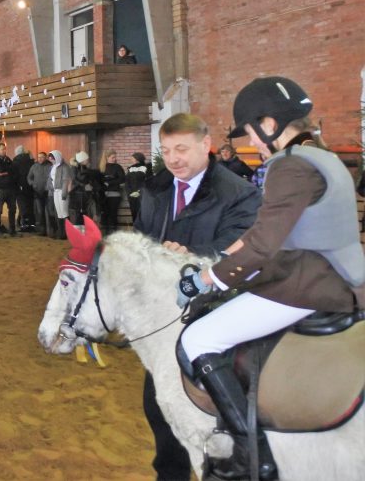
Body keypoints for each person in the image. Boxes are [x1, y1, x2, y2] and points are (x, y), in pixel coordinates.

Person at [175, 77, 364, 481]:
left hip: (307, 285)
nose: (251, 144)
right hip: (342, 276)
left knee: (197, 339)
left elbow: (262, 246)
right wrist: (223, 257)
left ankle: (246, 451)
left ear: (269, 123)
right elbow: (267, 228)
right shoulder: (322, 156)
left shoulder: (290, 166)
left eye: (250, 134)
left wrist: (208, 279)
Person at [134, 112, 261, 481]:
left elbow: (234, 251)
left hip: (215, 320)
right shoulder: (155, 188)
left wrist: (187, 255)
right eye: (166, 150)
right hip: (162, 323)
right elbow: (142, 238)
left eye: (182, 149)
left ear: (206, 145)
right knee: (159, 409)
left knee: (213, 415)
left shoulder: (240, 193)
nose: (173, 158)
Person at [46, 150, 72, 239]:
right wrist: (50, 187)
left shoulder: (65, 167)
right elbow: (50, 178)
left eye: (52, 159)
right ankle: (61, 233)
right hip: (55, 191)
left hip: (61, 190)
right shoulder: (53, 166)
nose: (51, 161)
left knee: (64, 213)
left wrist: (64, 193)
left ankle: (68, 232)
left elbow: (66, 180)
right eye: (50, 160)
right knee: (59, 213)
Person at [99, 150, 126, 234]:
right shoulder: (101, 167)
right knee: (104, 214)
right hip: (103, 195)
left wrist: (109, 182)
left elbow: (122, 179)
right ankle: (105, 234)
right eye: (112, 157)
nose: (114, 159)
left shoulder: (117, 167)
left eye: (115, 157)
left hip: (114, 194)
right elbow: (99, 180)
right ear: (107, 157)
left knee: (112, 214)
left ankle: (113, 234)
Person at [27, 151, 51, 236]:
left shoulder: (50, 166)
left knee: (49, 212)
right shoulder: (34, 166)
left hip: (48, 193)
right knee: (40, 212)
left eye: (42, 157)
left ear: (46, 158)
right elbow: (29, 177)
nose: (40, 159)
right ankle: (42, 230)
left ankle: (50, 230)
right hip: (37, 193)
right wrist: (32, 184)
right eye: (39, 157)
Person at [11, 147, 35, 232]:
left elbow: (13, 175)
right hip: (31, 186)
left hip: (20, 186)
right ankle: (31, 225)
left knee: (22, 206)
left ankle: (23, 224)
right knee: (30, 205)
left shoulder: (15, 161)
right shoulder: (31, 160)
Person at [126, 152, 150, 224]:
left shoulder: (146, 168)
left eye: (132, 158)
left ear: (137, 159)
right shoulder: (130, 169)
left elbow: (148, 181)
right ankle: (135, 231)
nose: (131, 159)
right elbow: (127, 182)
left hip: (143, 195)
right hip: (132, 196)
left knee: (142, 213)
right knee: (134, 213)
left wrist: (140, 192)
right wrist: (130, 192)